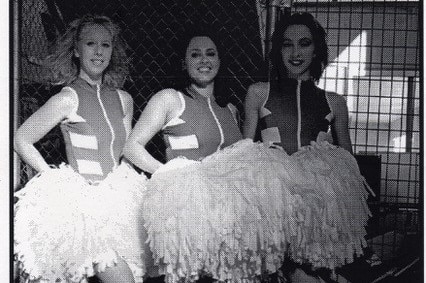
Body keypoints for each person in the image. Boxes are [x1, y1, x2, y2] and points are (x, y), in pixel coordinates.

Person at [123, 30, 289, 282]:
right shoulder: (170, 99)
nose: (204, 61)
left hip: (231, 214)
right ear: (183, 62)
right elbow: (132, 147)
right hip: (188, 212)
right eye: (195, 54)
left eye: (211, 54)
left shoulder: (229, 108)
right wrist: (169, 174)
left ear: (220, 61)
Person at [14, 14, 146, 283]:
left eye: (105, 45)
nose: (98, 51)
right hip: (83, 209)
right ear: (76, 50)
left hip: (119, 205)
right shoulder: (67, 98)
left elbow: (128, 152)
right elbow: (22, 139)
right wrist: (53, 178)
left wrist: (125, 187)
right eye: (90, 44)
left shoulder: (124, 99)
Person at [244, 12, 371, 282]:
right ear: (278, 51)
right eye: (287, 44)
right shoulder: (258, 92)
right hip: (271, 201)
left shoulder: (334, 102)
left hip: (317, 208)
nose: (295, 52)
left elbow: (348, 163)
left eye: (304, 43)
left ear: (316, 51)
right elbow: (243, 152)